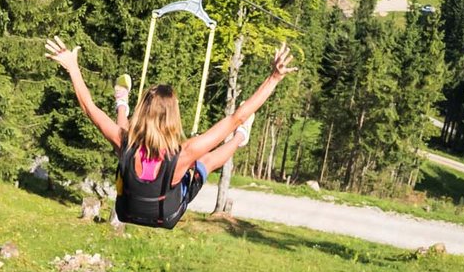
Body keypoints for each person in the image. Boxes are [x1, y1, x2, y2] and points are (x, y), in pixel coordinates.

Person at [45, 36, 296, 229]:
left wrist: (72, 67)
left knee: (121, 135)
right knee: (206, 161)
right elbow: (236, 116)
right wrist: (273, 78)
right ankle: (242, 136)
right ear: (174, 115)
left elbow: (90, 108)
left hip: (127, 209)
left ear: (143, 110)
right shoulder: (184, 153)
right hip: (166, 215)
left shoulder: (126, 142)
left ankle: (122, 102)